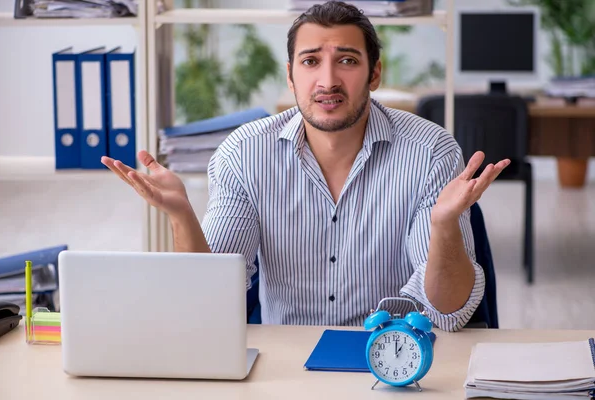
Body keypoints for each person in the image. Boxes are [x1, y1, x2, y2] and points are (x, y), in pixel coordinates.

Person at [102, 1, 509, 332]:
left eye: (347, 61)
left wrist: (443, 227)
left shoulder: (430, 151)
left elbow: (449, 312)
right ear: (291, 76)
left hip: (396, 359)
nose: (327, 81)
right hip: (287, 367)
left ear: (375, 74)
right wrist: (182, 215)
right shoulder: (244, 153)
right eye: (311, 61)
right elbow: (208, 303)